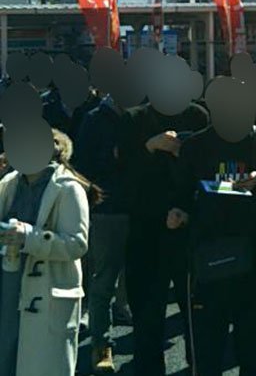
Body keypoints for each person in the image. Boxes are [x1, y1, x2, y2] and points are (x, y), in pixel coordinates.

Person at [171, 121, 256, 376]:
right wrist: (179, 213)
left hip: (253, 257)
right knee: (208, 349)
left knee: (253, 347)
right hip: (208, 258)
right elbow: (181, 195)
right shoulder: (196, 145)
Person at [118, 101, 208, 376]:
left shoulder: (197, 115)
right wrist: (149, 147)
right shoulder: (134, 118)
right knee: (147, 318)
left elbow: (212, 172)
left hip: (189, 231)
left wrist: (188, 212)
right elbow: (122, 177)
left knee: (198, 316)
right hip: (145, 233)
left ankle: (199, 367)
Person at [0, 129, 97, 376]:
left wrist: (29, 237)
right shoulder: (9, 183)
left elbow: (77, 244)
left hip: (47, 296)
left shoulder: (68, 188)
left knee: (41, 367)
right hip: (9, 288)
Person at [73, 93, 132, 373]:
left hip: (143, 208)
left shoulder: (142, 116)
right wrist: (113, 156)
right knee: (105, 278)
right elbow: (82, 167)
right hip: (108, 209)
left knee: (143, 278)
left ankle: (143, 340)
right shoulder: (95, 119)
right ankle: (101, 344)